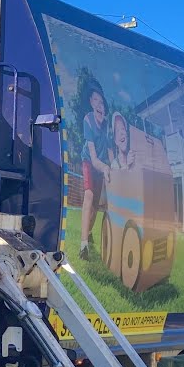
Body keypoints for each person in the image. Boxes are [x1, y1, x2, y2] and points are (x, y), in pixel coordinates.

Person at [79, 80, 113, 258]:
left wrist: (113, 168)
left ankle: (88, 233)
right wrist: (106, 166)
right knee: (89, 196)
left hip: (102, 166)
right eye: (94, 101)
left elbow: (109, 152)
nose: (98, 104)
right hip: (89, 162)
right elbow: (93, 158)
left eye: (100, 101)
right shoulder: (88, 120)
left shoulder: (107, 125)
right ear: (91, 104)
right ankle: (83, 246)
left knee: (95, 208)